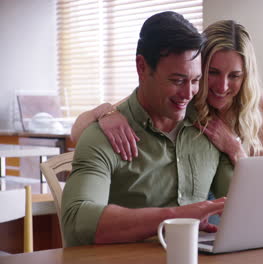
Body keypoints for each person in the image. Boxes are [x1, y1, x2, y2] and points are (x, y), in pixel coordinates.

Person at [61, 11, 233, 247]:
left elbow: (247, 212)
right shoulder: (104, 134)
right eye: (177, 80)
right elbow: (76, 222)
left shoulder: (210, 129)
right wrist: (177, 217)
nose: (187, 94)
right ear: (142, 67)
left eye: (195, 81)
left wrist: (238, 151)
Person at [70, 20, 263, 165]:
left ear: (246, 75)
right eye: (212, 72)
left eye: (234, 76)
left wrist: (234, 148)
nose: (222, 86)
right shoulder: (182, 100)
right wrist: (106, 113)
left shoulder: (257, 104)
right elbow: (77, 132)